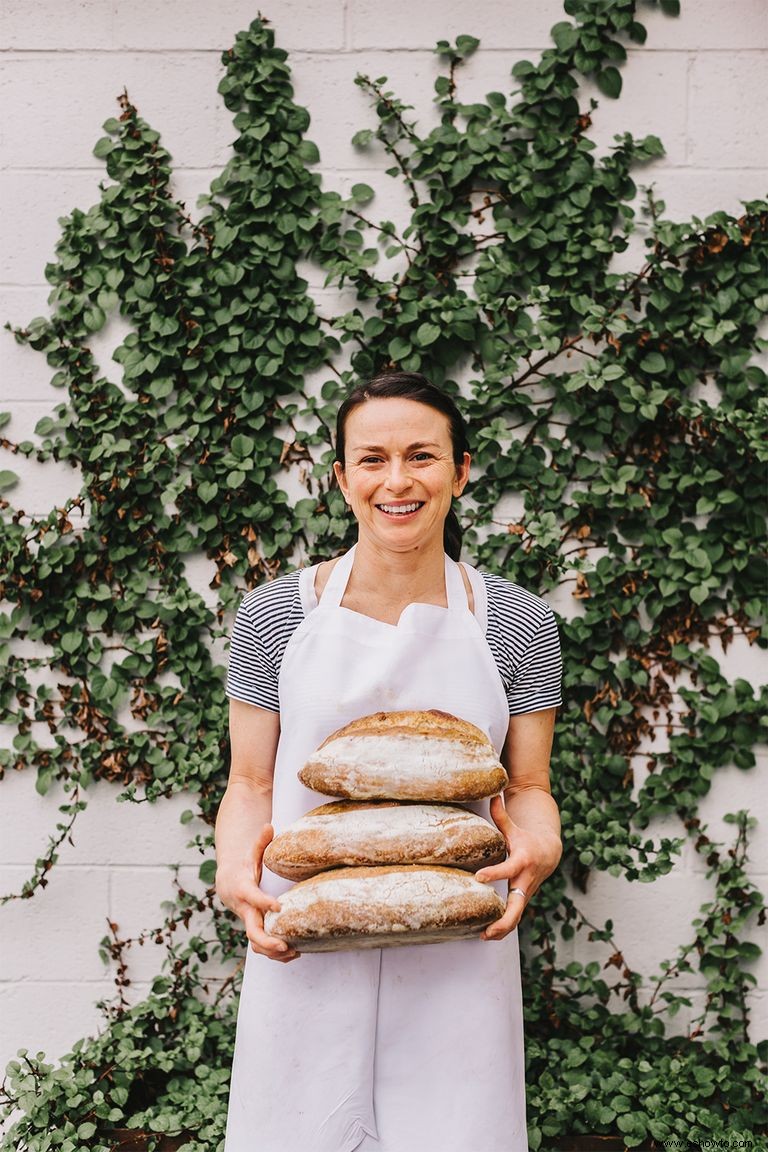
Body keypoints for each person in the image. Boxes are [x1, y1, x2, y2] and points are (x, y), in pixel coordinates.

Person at [216, 371, 563, 1152]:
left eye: (422, 456)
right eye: (371, 459)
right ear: (342, 478)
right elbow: (251, 783)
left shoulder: (517, 622)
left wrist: (540, 844)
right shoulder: (276, 613)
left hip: (456, 933)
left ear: (461, 470)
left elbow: (532, 785)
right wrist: (236, 868)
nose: (397, 481)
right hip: (302, 928)